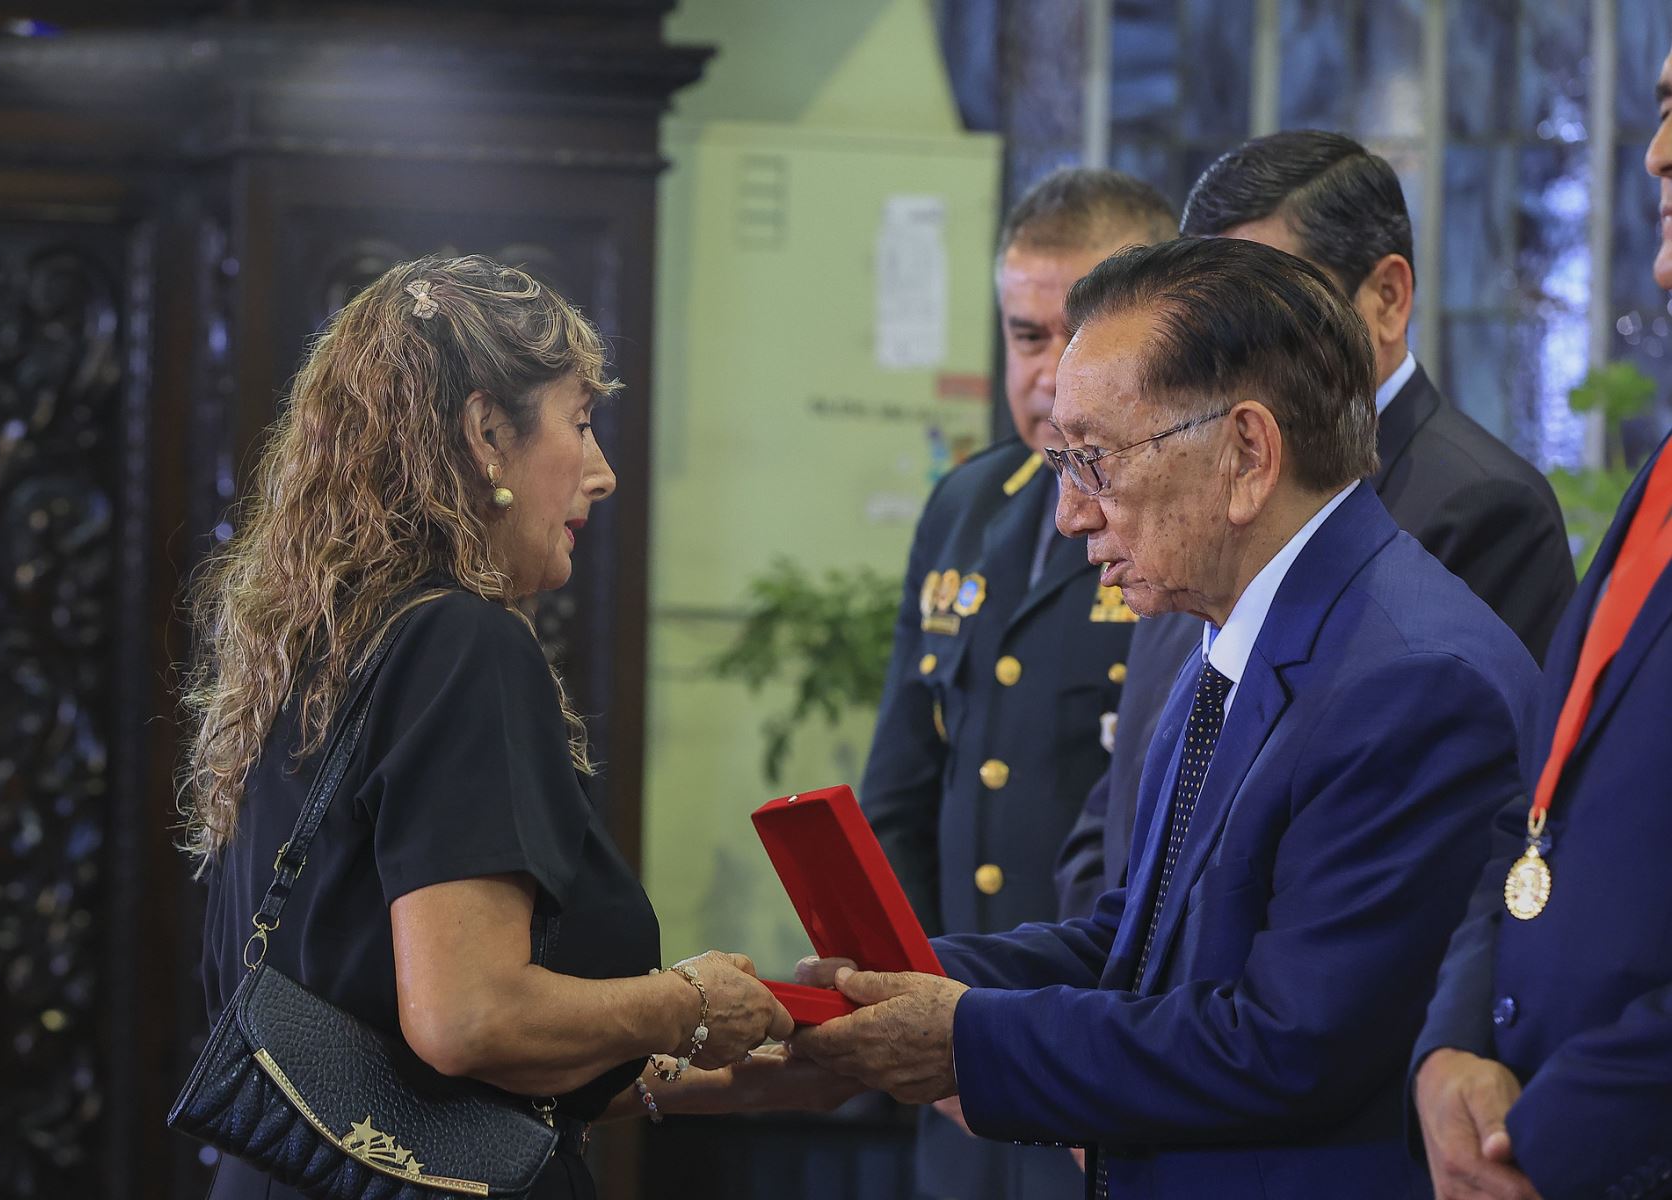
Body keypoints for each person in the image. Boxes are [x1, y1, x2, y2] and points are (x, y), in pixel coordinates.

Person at [791, 236, 1541, 1199]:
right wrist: (892, 980)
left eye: (1093, 461)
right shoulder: (1234, 633)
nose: (1069, 515)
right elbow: (1140, 942)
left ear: (1247, 454)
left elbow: (1283, 1047)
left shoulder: (1413, 682)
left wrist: (963, 1038)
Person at [179, 255, 822, 1200]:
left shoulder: (319, 640)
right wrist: (687, 1001)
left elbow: (410, 1073)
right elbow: (466, 1019)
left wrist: (729, 1080)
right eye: (583, 420)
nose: (601, 473)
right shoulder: (461, 642)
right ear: (486, 432)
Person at [1055, 131, 1576, 926]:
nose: (1219, 338)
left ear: (1388, 299)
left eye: (1266, 295)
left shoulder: (1474, 508)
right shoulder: (1178, 511)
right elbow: (1137, 782)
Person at [858, 167, 1177, 1200]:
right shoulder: (968, 506)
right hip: (957, 1081)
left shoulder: (1178, 528)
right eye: (1024, 336)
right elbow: (902, 796)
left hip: (1099, 1067)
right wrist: (910, 1008)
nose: (1044, 376)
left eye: (1072, 337)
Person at [1411, 45, 1672, 1200]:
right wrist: (1457, 1047)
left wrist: (1553, 1140)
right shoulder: (1661, 472)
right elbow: (1542, 810)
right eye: (1660, 111)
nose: (1658, 152)